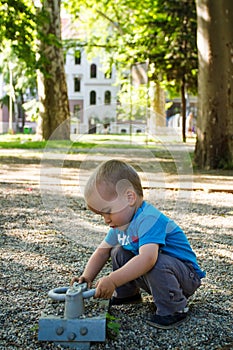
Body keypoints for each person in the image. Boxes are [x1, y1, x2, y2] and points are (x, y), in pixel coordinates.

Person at [71, 159, 205, 329]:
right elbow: (102, 252)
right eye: (101, 215)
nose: (106, 220)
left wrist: (112, 280)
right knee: (118, 252)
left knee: (153, 261)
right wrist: (87, 277)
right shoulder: (122, 223)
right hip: (163, 275)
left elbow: (148, 259)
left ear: (130, 197)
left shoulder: (149, 219)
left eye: (108, 212)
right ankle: (127, 294)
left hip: (185, 277)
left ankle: (174, 308)